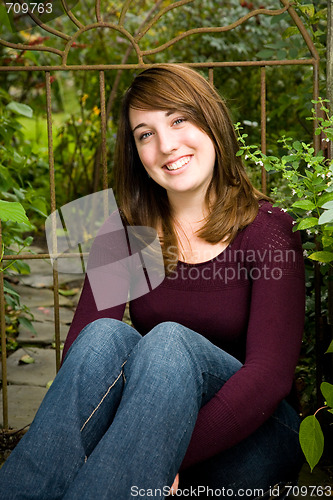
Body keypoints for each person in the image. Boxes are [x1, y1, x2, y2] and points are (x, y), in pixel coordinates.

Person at [0, 64, 305, 499]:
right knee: (103, 335)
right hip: (143, 441)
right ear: (136, 153)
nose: (166, 145)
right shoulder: (123, 230)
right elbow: (83, 355)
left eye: (179, 120)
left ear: (211, 121)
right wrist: (140, 448)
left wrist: (160, 453)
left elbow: (270, 377)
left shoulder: (270, 228)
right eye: (145, 134)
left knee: (167, 340)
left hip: (253, 437)